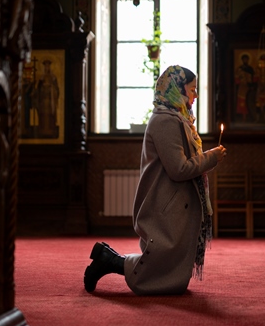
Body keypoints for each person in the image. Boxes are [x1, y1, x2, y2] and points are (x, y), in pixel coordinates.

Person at [84, 65, 227, 295]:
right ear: (176, 89)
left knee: (171, 271)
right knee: (159, 264)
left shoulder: (180, 118)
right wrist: (211, 158)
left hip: (174, 200)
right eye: (192, 89)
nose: (196, 95)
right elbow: (178, 169)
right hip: (165, 202)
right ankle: (107, 260)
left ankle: (108, 258)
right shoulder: (166, 121)